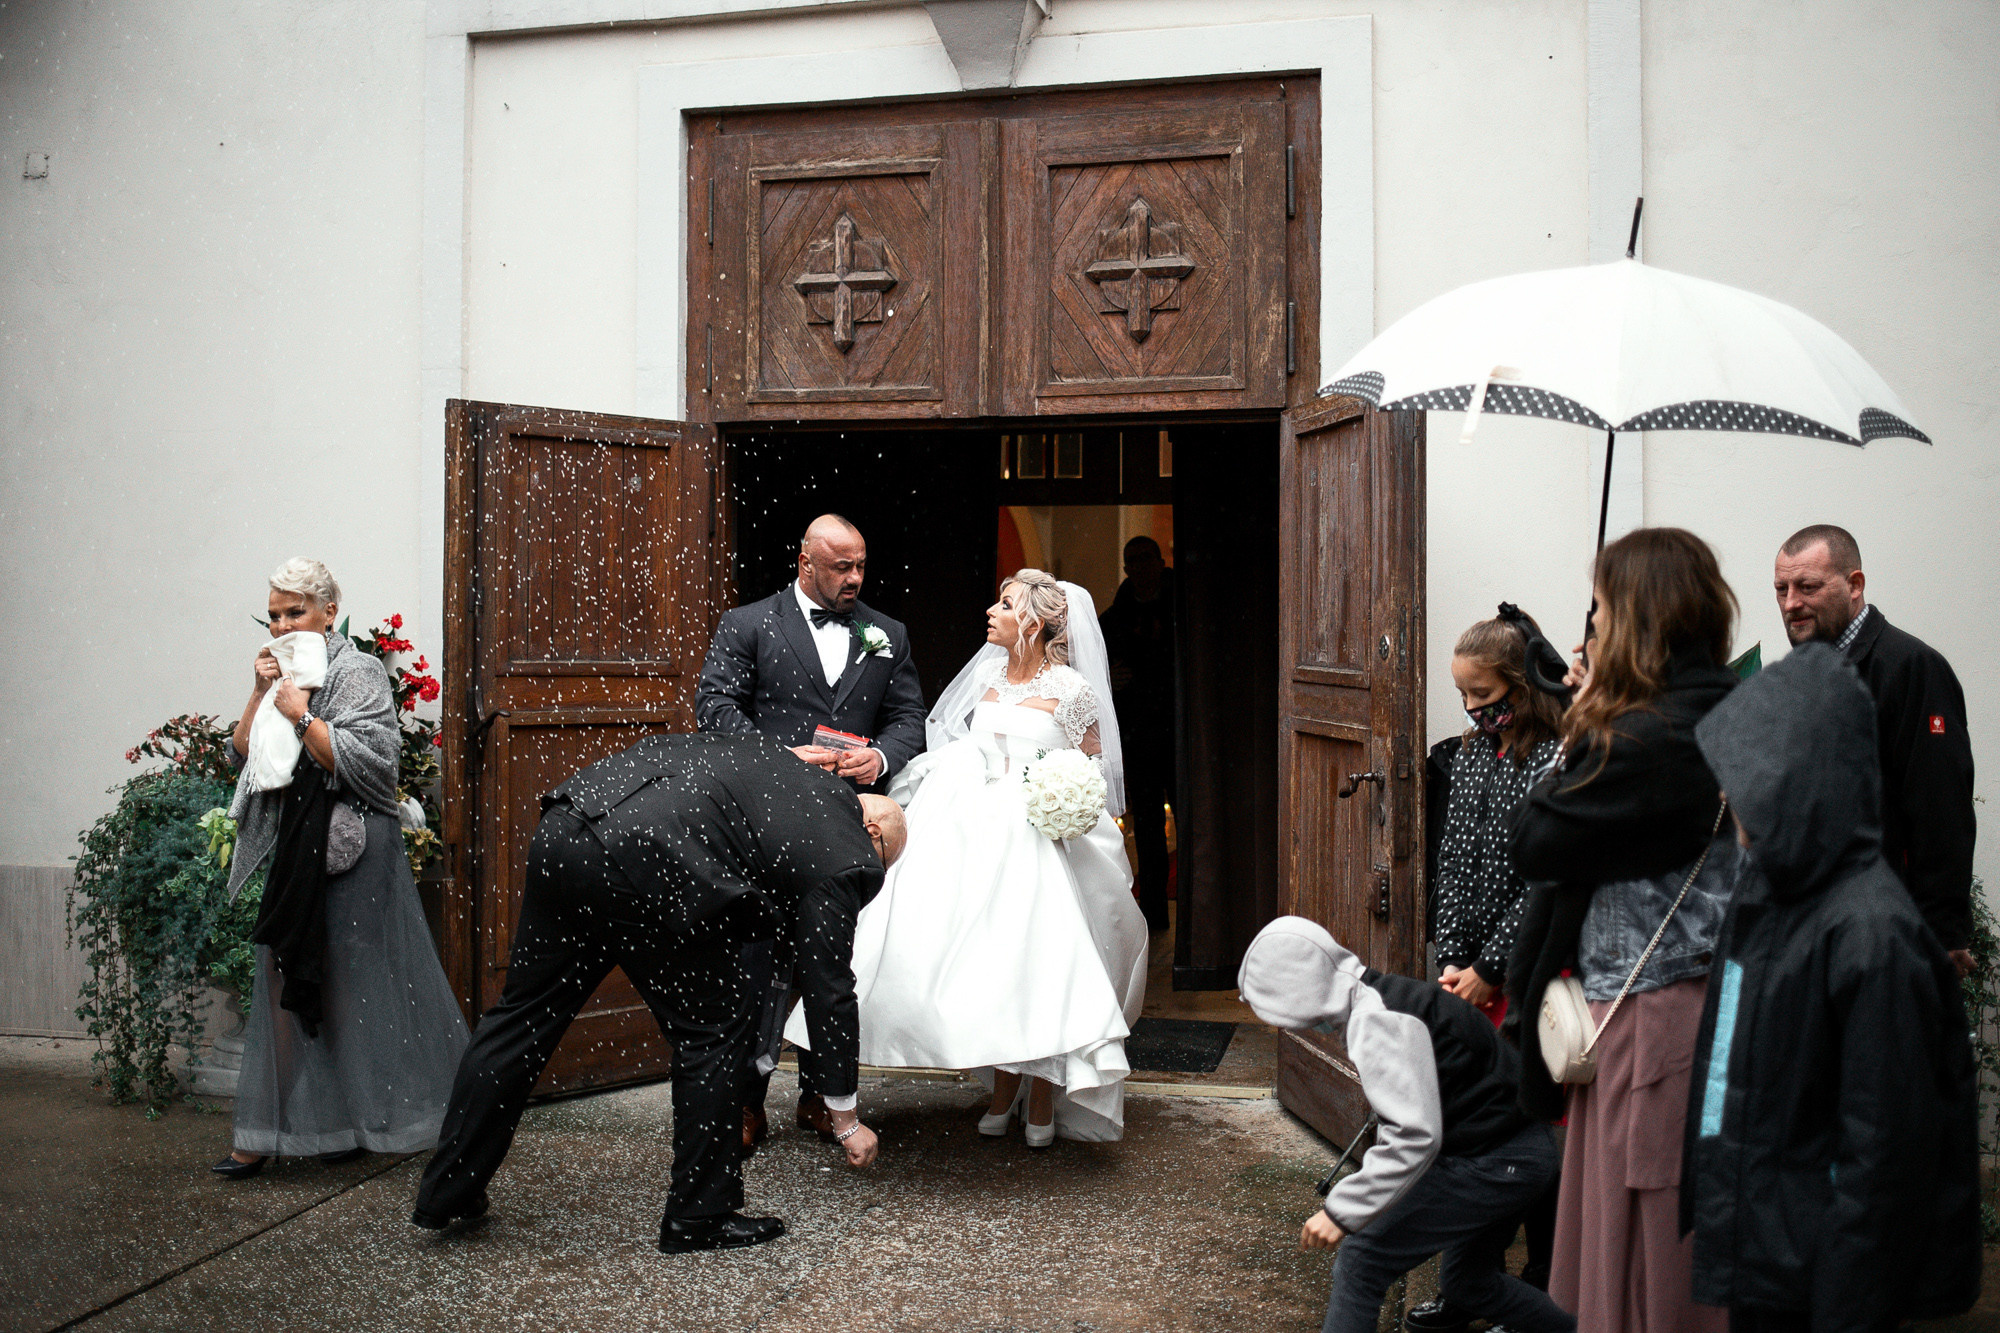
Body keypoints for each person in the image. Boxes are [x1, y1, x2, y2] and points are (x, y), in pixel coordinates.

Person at [411, 733, 908, 1252]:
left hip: (571, 821)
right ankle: (701, 1214)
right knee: (716, 1029)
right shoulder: (848, 844)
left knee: (523, 1017)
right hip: (647, 858)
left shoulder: (781, 764)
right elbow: (829, 984)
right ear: (871, 830)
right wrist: (846, 1118)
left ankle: (448, 1191)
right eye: (881, 863)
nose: (868, 878)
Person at [1681, 643, 1981, 1333]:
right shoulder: (1766, 897)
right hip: (1767, 1248)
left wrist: (1848, 1304)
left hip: (1824, 1278)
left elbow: (1884, 1156)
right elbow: (1729, 1069)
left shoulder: (1872, 935)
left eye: (1748, 779)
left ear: (1800, 778)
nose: (1731, 801)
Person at [788, 570, 1147, 1144]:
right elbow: (964, 748)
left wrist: (1065, 802)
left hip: (1042, 838)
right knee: (990, 965)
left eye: (1004, 605)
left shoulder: (1074, 690)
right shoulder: (989, 678)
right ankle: (1003, 1089)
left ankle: (1044, 1098)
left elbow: (1095, 771)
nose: (992, 611)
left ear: (1031, 622)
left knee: (1042, 965)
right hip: (981, 832)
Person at [1507, 527, 1745, 1333]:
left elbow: (1536, 839)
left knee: (1648, 1249)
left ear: (1639, 619)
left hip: (1651, 1020)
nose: (1593, 628)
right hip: (1700, 1002)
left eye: (1603, 610)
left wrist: (1579, 727)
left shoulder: (1648, 738)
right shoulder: (1721, 708)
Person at [211, 559, 468, 1178]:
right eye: (274, 613)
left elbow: (374, 767)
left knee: (354, 984)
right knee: (280, 974)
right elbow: (245, 753)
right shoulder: (280, 672)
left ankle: (358, 1122)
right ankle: (265, 1129)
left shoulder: (356, 672)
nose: (281, 624)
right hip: (296, 845)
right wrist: (258, 691)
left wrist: (301, 712)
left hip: (355, 845)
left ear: (329, 612)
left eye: (294, 611)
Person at [695, 513, 928, 1149]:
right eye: (841, 567)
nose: (854, 578)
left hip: (844, 823)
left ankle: (823, 1099)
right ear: (805, 562)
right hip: (762, 821)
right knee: (754, 956)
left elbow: (910, 717)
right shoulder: (748, 624)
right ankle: (744, 1101)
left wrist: (878, 757)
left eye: (860, 566)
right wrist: (779, 757)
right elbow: (715, 708)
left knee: (829, 960)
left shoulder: (887, 633)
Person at [1238, 916, 1576, 1333]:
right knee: (1468, 1283)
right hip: (1518, 1149)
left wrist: (1343, 1211)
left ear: (1298, 997)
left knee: (1363, 1258)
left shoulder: (1376, 1022)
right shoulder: (1386, 994)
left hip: (1498, 1161)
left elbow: (1415, 1135)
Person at [1404, 612, 1567, 1333]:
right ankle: (1473, 1280)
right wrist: (1450, 958)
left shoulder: (1556, 758)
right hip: (1465, 978)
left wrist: (1493, 969)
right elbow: (1454, 865)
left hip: (1525, 977)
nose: (1472, 705)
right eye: (1463, 692)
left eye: (1482, 691)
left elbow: (1544, 882)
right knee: (1471, 1135)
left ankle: (1536, 1288)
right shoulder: (1471, 752)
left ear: (1520, 684)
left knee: (1531, 1134)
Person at [1772, 523, 1976, 977]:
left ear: (1855, 585)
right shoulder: (1800, 677)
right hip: (1816, 935)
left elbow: (1941, 806)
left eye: (1807, 587)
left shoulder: (1910, 668)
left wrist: (1942, 934)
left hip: (1890, 936)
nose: (1790, 604)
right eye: (1781, 589)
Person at [1099, 535, 1177, 932]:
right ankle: (1154, 915)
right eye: (1133, 560)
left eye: (1147, 557)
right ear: (1126, 568)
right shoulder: (1112, 621)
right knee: (1146, 829)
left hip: (1182, 736)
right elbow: (1091, 673)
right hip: (1139, 737)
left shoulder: (1184, 609)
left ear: (1161, 562)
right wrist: (1110, 678)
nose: (1141, 566)